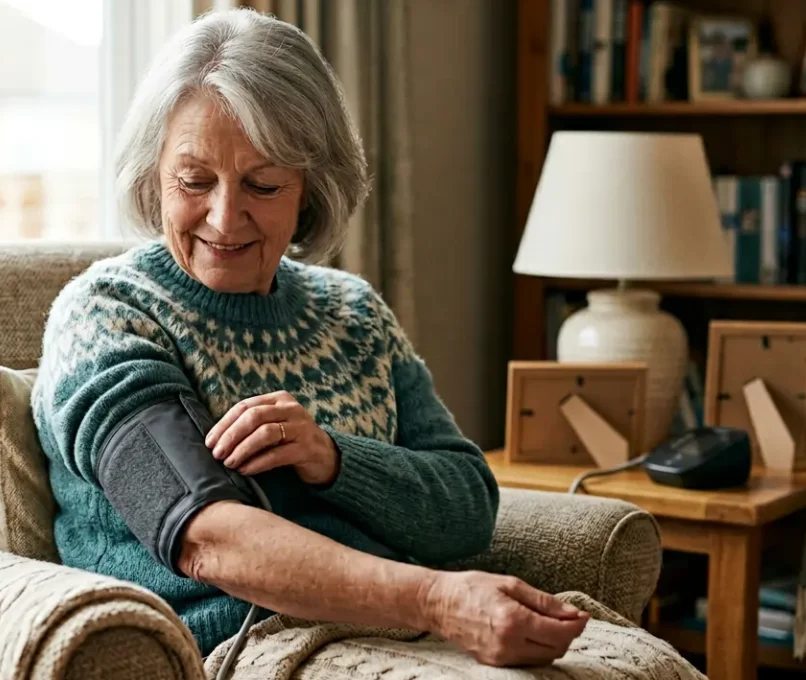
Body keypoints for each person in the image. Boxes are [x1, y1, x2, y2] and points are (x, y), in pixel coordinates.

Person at [32, 8, 589, 667]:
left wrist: (333, 459)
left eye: (262, 184)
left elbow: (468, 505)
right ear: (154, 172)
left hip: (396, 633)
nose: (223, 216)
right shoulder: (107, 316)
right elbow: (205, 536)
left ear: (310, 188)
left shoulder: (352, 312)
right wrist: (438, 600)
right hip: (240, 646)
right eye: (194, 180)